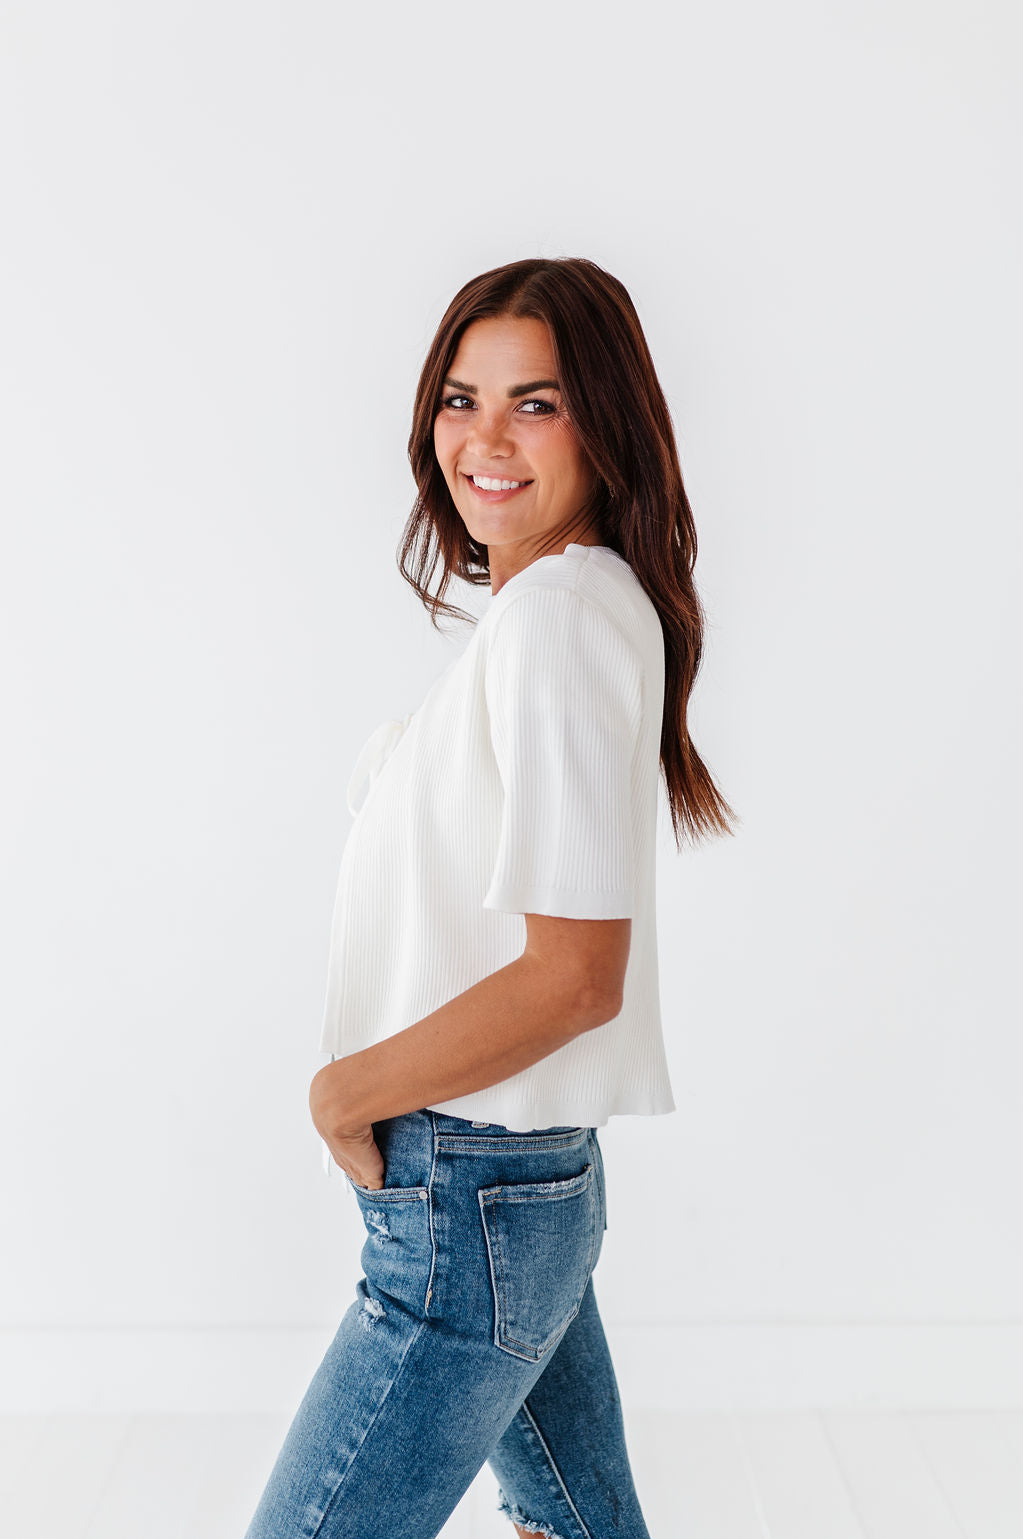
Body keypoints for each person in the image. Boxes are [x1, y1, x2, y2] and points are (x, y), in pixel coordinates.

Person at [244, 256, 737, 1539]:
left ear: (606, 421)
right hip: (511, 1188)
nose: (486, 440)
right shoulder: (572, 607)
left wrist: (344, 1090)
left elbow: (575, 977)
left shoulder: (558, 621)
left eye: (537, 403)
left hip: (468, 1188)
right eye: (462, 400)